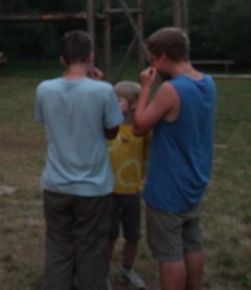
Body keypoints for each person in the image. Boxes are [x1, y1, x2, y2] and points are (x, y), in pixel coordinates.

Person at [34, 30, 123, 290]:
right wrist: (98, 89)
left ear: (62, 59)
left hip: (56, 184)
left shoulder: (44, 89)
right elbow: (111, 132)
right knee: (91, 250)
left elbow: (49, 121)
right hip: (94, 187)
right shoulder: (104, 91)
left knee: (58, 247)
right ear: (91, 57)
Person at [133, 27, 216, 290]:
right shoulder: (207, 82)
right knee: (192, 243)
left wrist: (146, 88)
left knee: (170, 253)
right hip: (194, 179)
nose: (152, 66)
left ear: (164, 57)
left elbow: (139, 126)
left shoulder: (170, 90)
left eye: (153, 60)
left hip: (169, 186)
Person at [106, 81, 150, 289]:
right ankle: (104, 272)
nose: (113, 104)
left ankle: (127, 270)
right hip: (108, 191)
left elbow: (147, 156)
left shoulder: (142, 130)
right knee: (109, 235)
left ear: (133, 104)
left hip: (132, 191)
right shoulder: (108, 127)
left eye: (118, 100)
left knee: (132, 235)